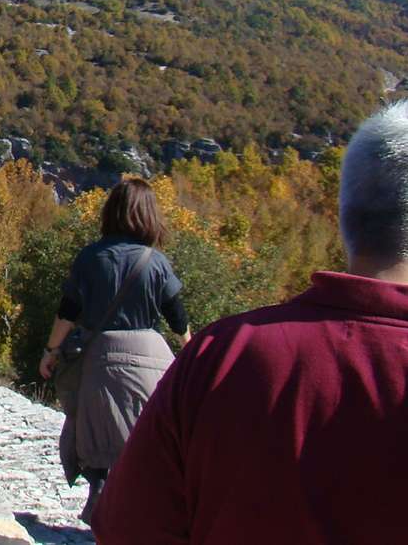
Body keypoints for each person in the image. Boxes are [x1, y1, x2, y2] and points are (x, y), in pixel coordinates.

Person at [92, 102, 408, 544]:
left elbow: (128, 528)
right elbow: (175, 309)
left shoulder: (222, 355)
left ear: (344, 216)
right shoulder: (174, 293)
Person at [38, 177, 191, 525]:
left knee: (97, 429)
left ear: (111, 212)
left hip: (101, 354)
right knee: (146, 432)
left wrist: (51, 350)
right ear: (150, 215)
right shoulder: (156, 262)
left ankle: (100, 498)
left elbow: (68, 311)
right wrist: (191, 353)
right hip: (151, 355)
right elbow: (176, 315)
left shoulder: (91, 257)